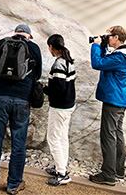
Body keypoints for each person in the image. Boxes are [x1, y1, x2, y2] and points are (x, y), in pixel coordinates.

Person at [0, 24, 42, 194]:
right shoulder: (33, 47)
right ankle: (13, 184)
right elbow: (37, 74)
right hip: (21, 100)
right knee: (18, 143)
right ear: (28, 36)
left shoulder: (2, 43)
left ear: (15, 33)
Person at [88, 25, 126, 186]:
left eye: (108, 36)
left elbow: (97, 63)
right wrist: (102, 45)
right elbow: (104, 62)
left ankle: (108, 174)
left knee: (108, 136)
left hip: (113, 99)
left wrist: (95, 45)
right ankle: (118, 170)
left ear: (116, 38)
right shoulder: (123, 54)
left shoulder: (119, 58)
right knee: (116, 133)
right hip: (119, 98)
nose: (106, 38)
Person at [42, 34, 76, 186]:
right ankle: (60, 167)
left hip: (59, 107)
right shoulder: (69, 61)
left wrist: (45, 89)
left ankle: (62, 174)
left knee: (53, 138)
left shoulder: (59, 64)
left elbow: (59, 89)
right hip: (68, 105)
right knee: (62, 137)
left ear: (51, 47)